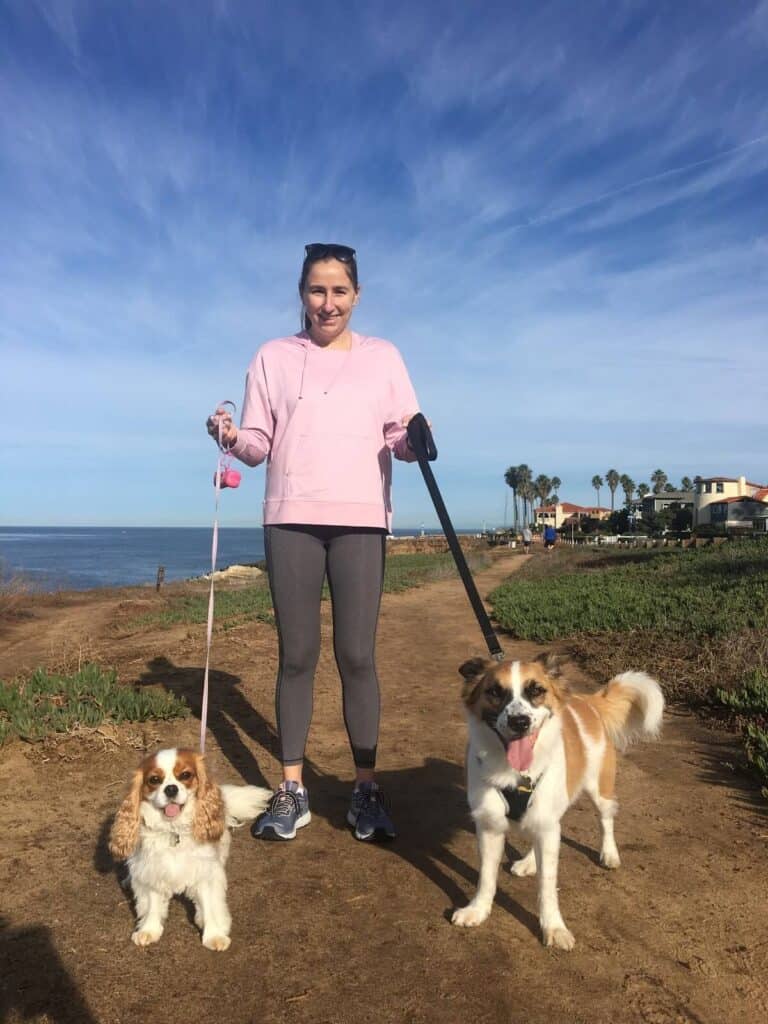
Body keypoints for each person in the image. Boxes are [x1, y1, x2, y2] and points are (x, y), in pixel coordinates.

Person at [206, 243, 421, 844]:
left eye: (340, 291)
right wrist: (228, 435)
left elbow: (399, 433)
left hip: (361, 519)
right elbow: (257, 443)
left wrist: (415, 440)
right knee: (296, 655)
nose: (328, 304)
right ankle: (293, 789)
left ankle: (365, 788)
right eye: (317, 290)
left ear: (357, 295)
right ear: (302, 294)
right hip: (291, 517)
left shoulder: (384, 358)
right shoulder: (273, 357)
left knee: (357, 655)